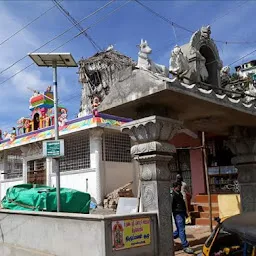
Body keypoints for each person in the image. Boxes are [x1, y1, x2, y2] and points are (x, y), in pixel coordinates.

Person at [171, 182, 193, 254]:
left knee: (179, 229)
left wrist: (186, 214)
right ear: (174, 187)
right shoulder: (173, 195)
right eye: (178, 187)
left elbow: (183, 204)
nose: (180, 188)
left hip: (182, 212)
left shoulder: (179, 194)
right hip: (177, 213)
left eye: (180, 186)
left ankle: (170, 237)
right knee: (181, 230)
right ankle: (185, 246)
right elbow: (171, 205)